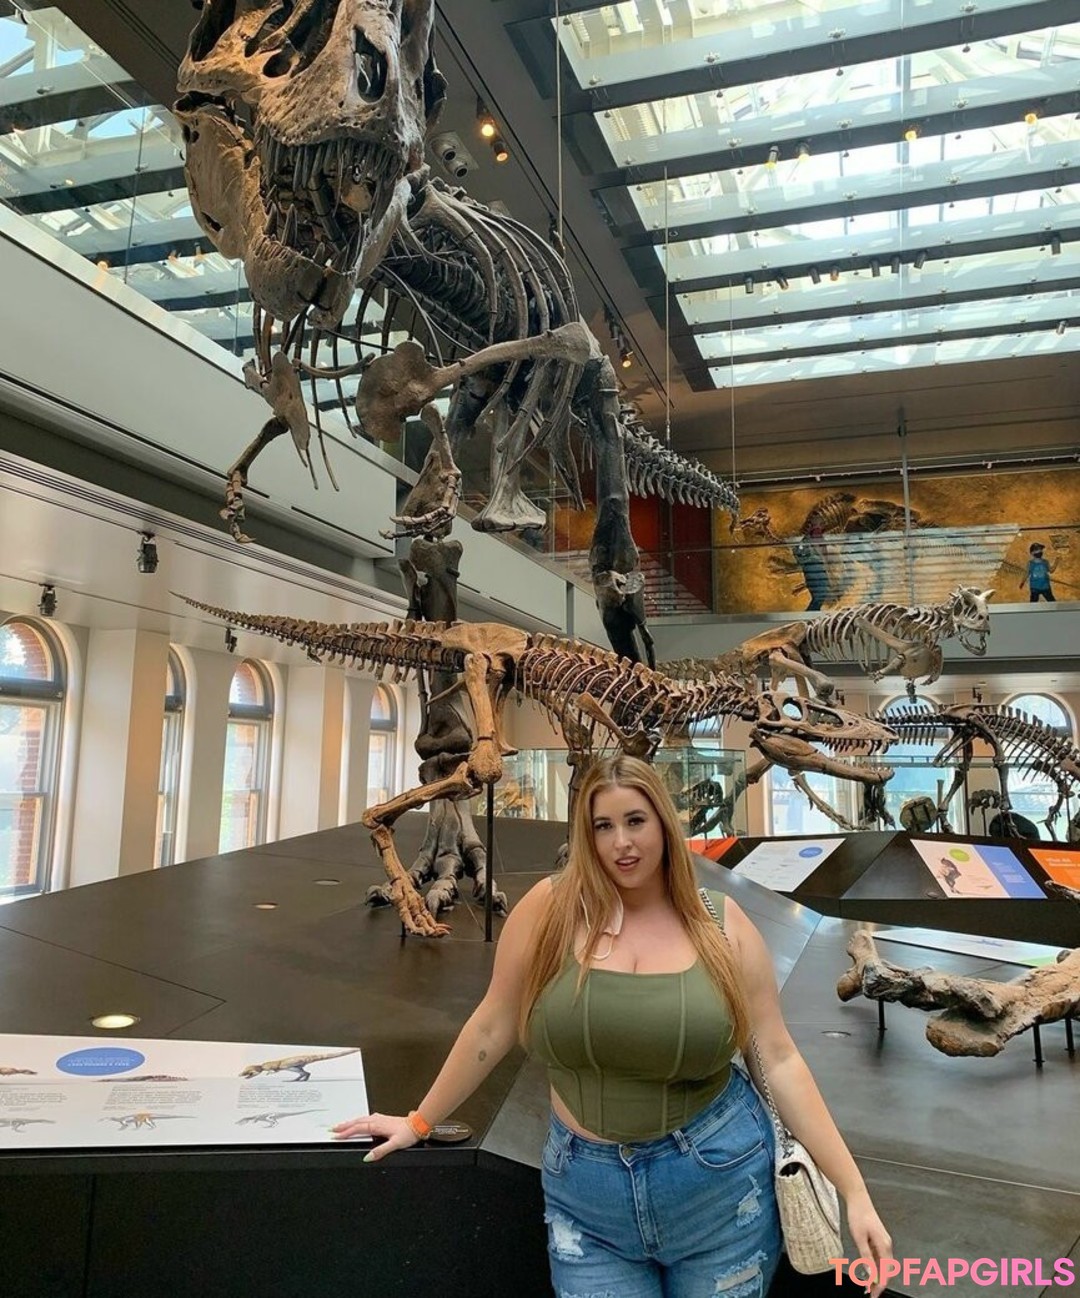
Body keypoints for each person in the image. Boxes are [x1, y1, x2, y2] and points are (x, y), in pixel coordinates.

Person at [333, 755, 893, 1297]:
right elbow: (492, 1024)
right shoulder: (548, 910)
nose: (621, 842)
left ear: (663, 825)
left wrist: (854, 1190)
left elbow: (778, 1056)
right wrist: (420, 1121)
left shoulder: (721, 924)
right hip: (586, 1196)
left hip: (718, 1183)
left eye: (635, 821)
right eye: (604, 826)